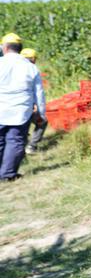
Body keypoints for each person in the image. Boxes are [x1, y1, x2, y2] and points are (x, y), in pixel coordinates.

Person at [0, 34, 46, 181]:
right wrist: (40, 114)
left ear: (4, 47)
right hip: (21, 111)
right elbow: (39, 93)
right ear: (19, 49)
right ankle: (7, 175)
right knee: (16, 141)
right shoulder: (30, 67)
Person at [20, 48, 47, 154]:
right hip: (27, 106)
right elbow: (38, 92)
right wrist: (41, 111)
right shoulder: (32, 69)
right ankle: (31, 146)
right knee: (42, 122)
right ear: (32, 58)